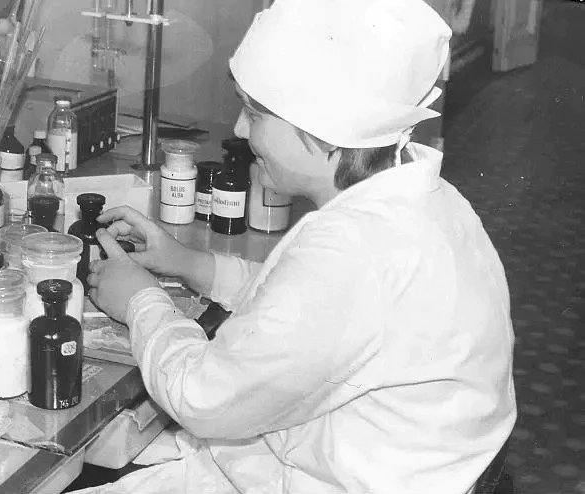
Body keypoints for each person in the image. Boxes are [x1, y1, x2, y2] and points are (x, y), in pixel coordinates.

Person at [84, 0, 517, 492]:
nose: (240, 130)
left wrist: (139, 300)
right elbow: (300, 307)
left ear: (321, 127)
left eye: (254, 115)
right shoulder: (422, 197)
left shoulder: (353, 251)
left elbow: (203, 397)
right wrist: (189, 263)